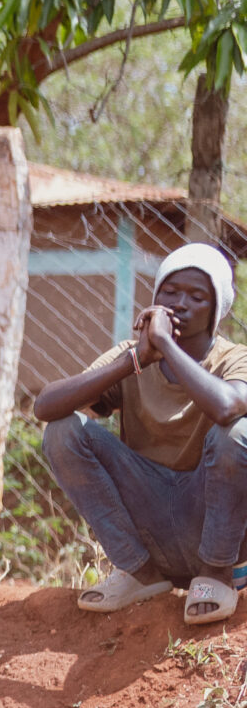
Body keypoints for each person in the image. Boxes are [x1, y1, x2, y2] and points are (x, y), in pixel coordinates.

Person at [35, 245, 247, 623]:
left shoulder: (235, 359)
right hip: (148, 510)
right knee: (62, 430)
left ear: (215, 311)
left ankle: (215, 575)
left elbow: (227, 407)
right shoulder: (133, 355)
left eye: (197, 297)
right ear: (154, 300)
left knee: (237, 432)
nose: (180, 304)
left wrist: (166, 344)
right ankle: (139, 573)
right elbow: (45, 406)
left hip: (210, 520)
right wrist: (134, 360)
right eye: (169, 292)